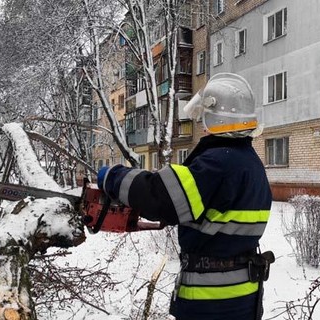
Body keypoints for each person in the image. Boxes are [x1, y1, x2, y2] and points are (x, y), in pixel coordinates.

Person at [97, 73, 274, 320]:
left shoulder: (218, 163)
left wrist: (112, 178)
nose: (202, 125)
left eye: (204, 117)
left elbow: (160, 198)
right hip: (242, 298)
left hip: (212, 303)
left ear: (217, 116)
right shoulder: (249, 162)